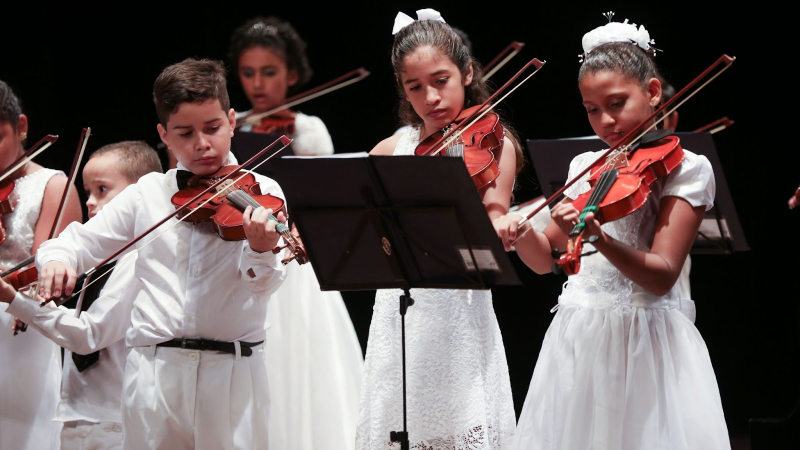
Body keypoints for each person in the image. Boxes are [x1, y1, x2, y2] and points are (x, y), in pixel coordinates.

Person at [495, 13, 731, 449]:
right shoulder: (584, 167)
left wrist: (599, 238)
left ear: (653, 92)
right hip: (578, 337)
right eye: (591, 110)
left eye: (617, 104)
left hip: (647, 341)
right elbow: (548, 261)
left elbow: (661, 276)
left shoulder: (688, 169)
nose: (604, 121)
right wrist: (521, 229)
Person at [30, 57, 288, 450]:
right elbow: (76, 243)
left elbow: (266, 286)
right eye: (185, 133)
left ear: (232, 121)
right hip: (154, 374)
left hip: (232, 374)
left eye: (213, 128)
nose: (201, 143)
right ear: (163, 135)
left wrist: (261, 249)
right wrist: (56, 261)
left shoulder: (262, 191)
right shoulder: (147, 194)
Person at [355, 9, 522, 449]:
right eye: (416, 87)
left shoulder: (494, 142)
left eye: (441, 80)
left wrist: (501, 225)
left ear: (466, 72)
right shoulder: (395, 147)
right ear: (403, 91)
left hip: (457, 310)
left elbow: (494, 211)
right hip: (398, 310)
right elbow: (351, 203)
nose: (431, 97)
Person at [226, 16, 364, 450]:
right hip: (246, 254)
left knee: (298, 362)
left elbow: (323, 196)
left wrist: (299, 229)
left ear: (291, 74)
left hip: (295, 258)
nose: (258, 84)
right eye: (248, 73)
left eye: (269, 72)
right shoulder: (234, 126)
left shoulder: (307, 128)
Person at [2, 140, 162, 449]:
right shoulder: (98, 263)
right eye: (87, 191)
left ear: (139, 195)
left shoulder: (135, 261)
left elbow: (89, 335)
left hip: (112, 418)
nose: (89, 202)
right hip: (82, 414)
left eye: (101, 190)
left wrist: (15, 301)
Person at [0, 79, 82, 450]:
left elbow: (42, 266)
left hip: (20, 326)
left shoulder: (51, 185)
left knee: (20, 431)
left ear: (21, 127)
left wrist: (21, 294)